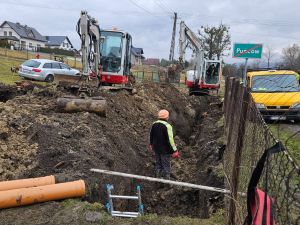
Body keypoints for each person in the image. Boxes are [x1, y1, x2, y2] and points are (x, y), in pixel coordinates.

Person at [150, 109, 179, 180]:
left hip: (156, 148)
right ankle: (166, 182)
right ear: (167, 117)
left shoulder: (154, 123)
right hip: (164, 149)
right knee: (166, 164)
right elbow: (170, 140)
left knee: (158, 163)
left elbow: (151, 135)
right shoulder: (167, 126)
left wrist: (151, 144)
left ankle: (158, 179)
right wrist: (174, 150)